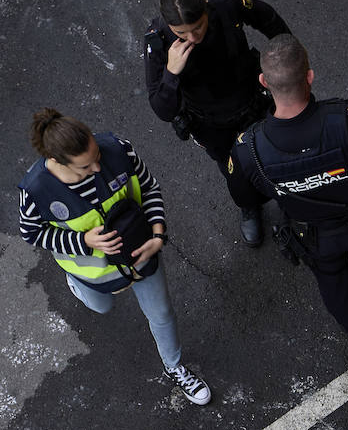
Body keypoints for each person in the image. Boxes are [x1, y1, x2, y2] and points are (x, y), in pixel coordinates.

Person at [230, 34, 348, 373]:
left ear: (263, 82)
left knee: (332, 280)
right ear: (310, 75)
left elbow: (246, 199)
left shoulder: (249, 149)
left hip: (315, 234)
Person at [19, 108, 211, 405]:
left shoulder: (118, 149)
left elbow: (148, 189)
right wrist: (82, 240)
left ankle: (174, 367)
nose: (98, 168)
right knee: (102, 307)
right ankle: (76, 283)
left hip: (140, 256)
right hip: (93, 274)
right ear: (57, 162)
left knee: (161, 314)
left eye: (97, 156)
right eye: (86, 167)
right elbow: (31, 232)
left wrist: (158, 235)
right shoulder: (36, 192)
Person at [145, 0, 291, 247]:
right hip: (210, 123)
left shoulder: (226, 3)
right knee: (234, 169)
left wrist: (288, 56)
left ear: (205, 8)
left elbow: (266, 16)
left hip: (252, 101)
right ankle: (250, 206)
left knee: (278, 151)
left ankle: (289, 200)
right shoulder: (158, 40)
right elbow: (161, 107)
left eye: (197, 28)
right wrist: (171, 72)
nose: (192, 38)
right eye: (182, 34)